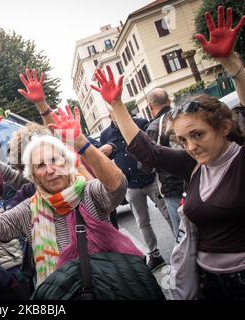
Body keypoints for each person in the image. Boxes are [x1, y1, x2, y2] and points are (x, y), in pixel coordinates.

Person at [91, 6, 245, 299]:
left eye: (198, 135)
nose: (190, 146)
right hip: (206, 282)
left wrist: (230, 62)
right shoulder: (195, 164)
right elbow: (148, 153)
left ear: (225, 127)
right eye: (183, 139)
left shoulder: (239, 160)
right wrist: (117, 105)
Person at [0, 105, 148, 292]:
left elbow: (117, 187)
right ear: (33, 176)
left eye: (54, 160)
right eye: (40, 165)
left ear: (67, 161)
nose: (50, 169)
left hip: (111, 289)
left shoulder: (88, 193)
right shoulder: (29, 210)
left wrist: (82, 144)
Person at [100, 109, 171, 271]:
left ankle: (183, 245)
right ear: (110, 114)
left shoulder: (139, 123)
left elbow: (152, 144)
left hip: (151, 179)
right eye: (112, 111)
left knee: (168, 212)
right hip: (131, 186)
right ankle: (155, 255)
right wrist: (107, 150)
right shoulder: (106, 134)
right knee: (142, 221)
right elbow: (103, 158)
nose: (116, 113)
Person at [145, 88, 185, 237]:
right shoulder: (184, 115)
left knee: (182, 235)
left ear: (150, 107)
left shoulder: (155, 127)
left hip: (172, 188)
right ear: (169, 101)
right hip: (199, 180)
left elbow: (147, 164)